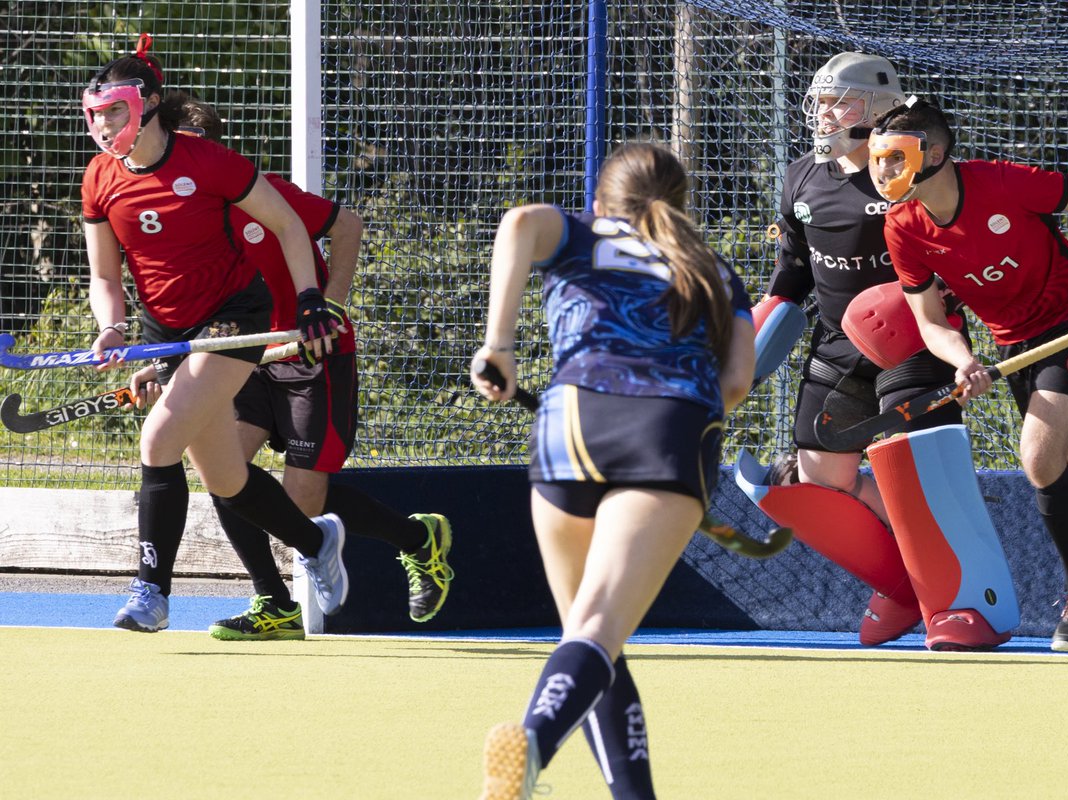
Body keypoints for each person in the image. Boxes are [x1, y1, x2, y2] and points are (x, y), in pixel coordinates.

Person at [469, 142, 755, 799]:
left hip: (570, 421)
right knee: (600, 629)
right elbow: (736, 381)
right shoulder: (713, 269)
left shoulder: (577, 230)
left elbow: (518, 222)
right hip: (669, 427)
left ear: (602, 201)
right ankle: (533, 744)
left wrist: (499, 346)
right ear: (681, 207)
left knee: (592, 636)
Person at [869, 96, 1068, 653]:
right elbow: (929, 321)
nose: (883, 172)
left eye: (894, 159)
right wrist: (962, 361)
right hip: (1015, 345)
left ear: (936, 153)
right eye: (877, 161)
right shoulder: (902, 227)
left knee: (1038, 457)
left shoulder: (1001, 183)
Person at [130, 99, 452, 639]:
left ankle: (418, 540)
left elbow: (347, 226)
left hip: (309, 356)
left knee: (307, 495)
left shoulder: (261, 193)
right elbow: (167, 298)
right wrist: (159, 360)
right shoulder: (168, 215)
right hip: (240, 358)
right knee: (223, 471)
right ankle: (274, 602)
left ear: (208, 152)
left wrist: (331, 307)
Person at [81, 34, 349, 632]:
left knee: (157, 440)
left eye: (115, 110)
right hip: (164, 329)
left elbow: (286, 225)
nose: (104, 126)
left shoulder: (208, 162)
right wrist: (112, 328)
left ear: (147, 103)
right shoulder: (99, 179)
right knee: (225, 478)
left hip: (234, 317)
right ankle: (315, 542)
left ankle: (151, 592)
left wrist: (311, 300)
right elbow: (105, 274)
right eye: (95, 114)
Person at [751, 52, 1015, 650]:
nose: (822, 114)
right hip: (839, 344)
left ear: (873, 108)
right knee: (819, 479)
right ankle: (903, 585)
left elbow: (959, 245)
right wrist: (751, 336)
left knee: (910, 464)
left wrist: (952, 301)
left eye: (835, 101)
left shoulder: (904, 173)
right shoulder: (800, 178)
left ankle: (961, 604)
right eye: (817, 102)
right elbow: (792, 275)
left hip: (917, 337)